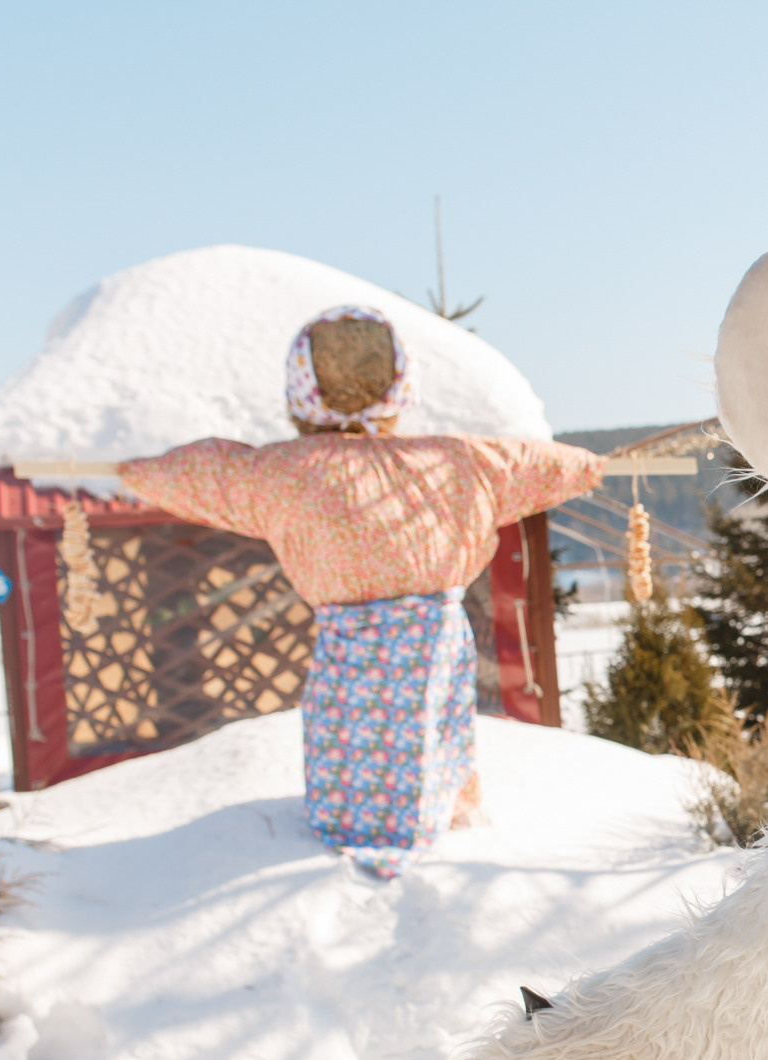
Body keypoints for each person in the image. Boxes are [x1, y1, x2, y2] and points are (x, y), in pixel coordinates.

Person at [118, 305, 605, 876]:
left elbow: (205, 474)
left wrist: (129, 470)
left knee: (353, 737)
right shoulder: (457, 462)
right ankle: (437, 818)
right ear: (400, 385)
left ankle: (359, 827)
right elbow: (539, 464)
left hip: (350, 645)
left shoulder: (287, 471)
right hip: (433, 641)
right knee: (432, 732)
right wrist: (595, 465)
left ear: (302, 387)